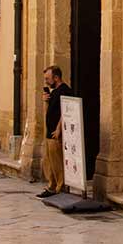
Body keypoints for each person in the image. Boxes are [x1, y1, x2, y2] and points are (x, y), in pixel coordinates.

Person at [38, 64, 72, 198]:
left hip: (56, 132)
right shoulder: (54, 91)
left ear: (56, 77)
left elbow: (66, 111)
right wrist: (46, 101)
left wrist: (59, 129)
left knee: (57, 161)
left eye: (48, 78)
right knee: (49, 161)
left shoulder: (65, 90)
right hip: (49, 131)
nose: (46, 81)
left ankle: (60, 187)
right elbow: (51, 111)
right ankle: (51, 186)